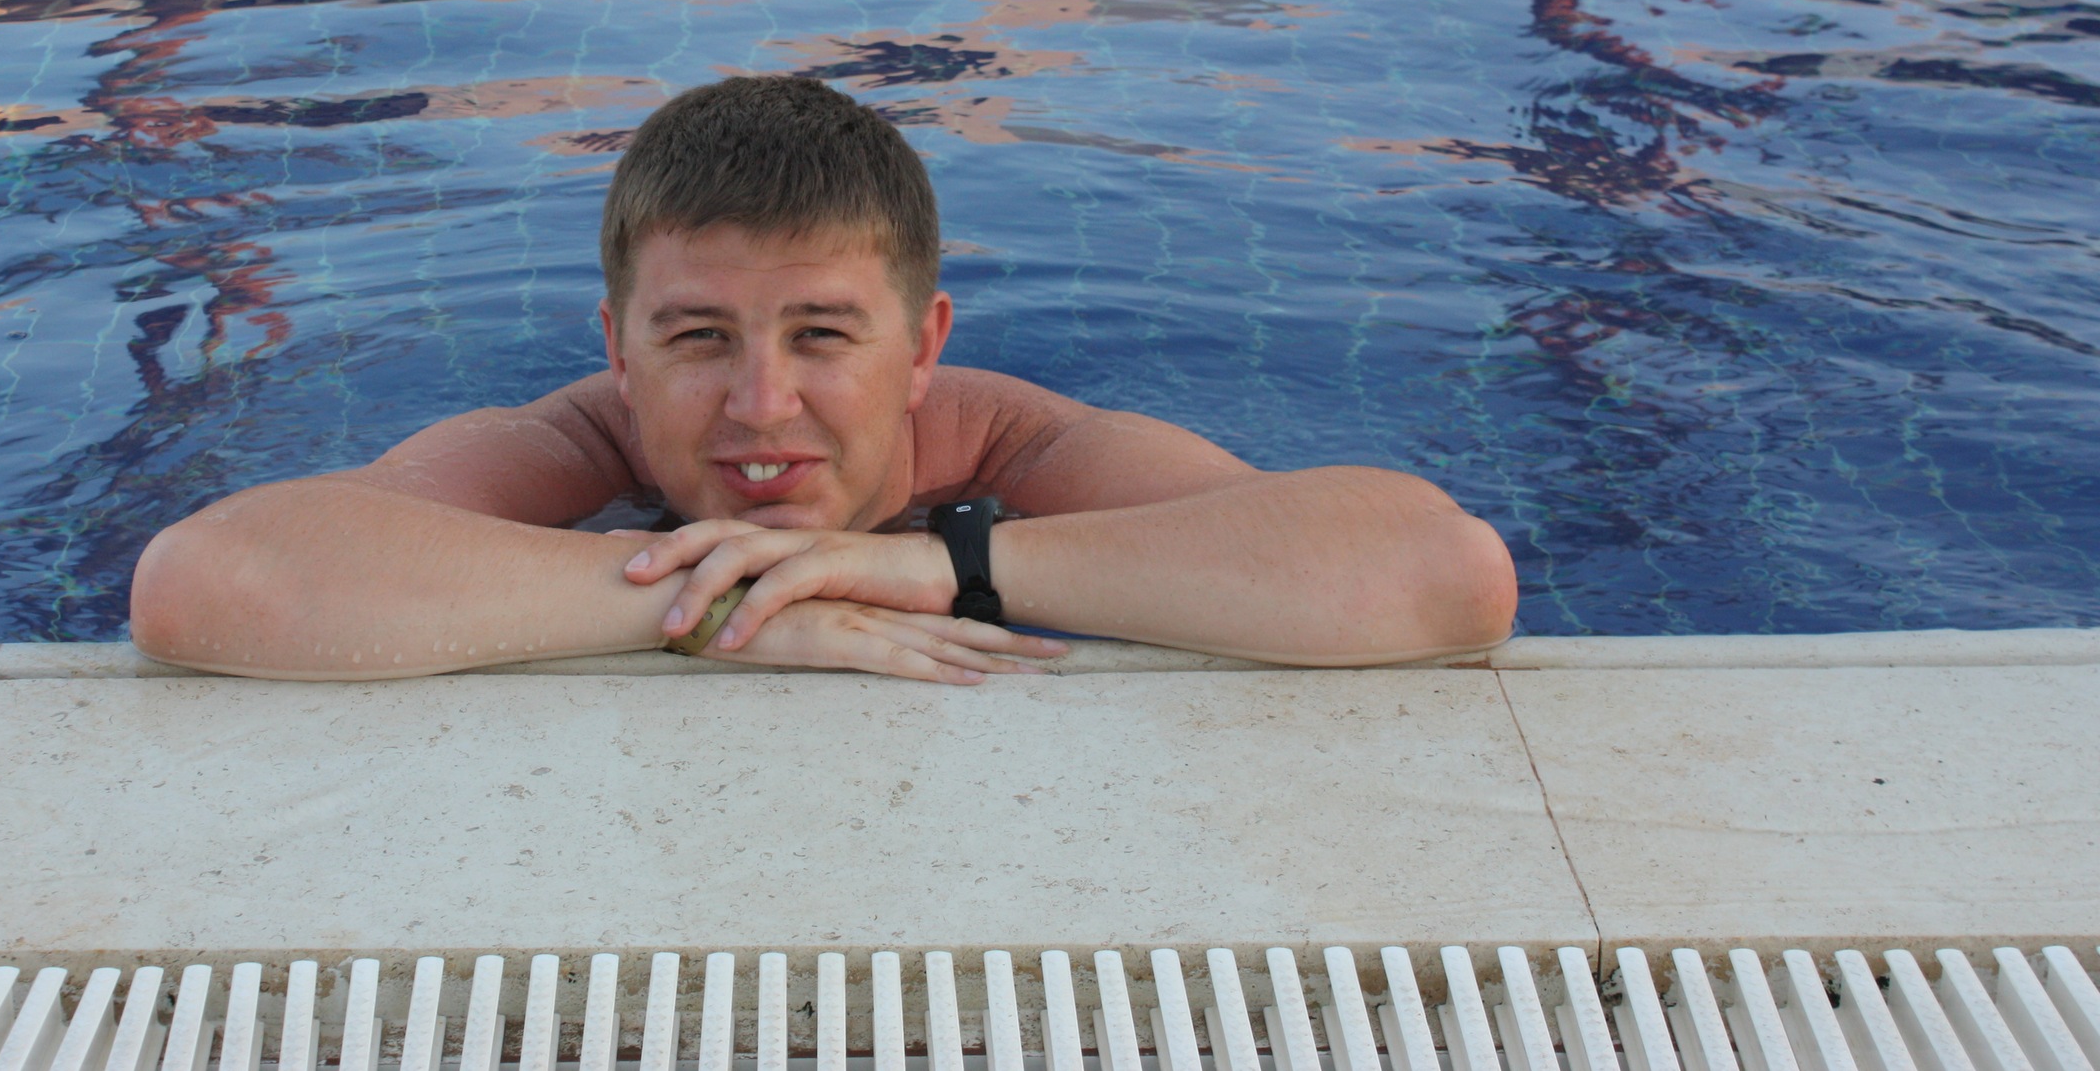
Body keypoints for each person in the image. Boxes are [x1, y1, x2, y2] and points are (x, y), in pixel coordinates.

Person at [130, 75, 1517, 682]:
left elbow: (1439, 574)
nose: (761, 405)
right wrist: (703, 604)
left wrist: (937, 569)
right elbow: (207, 584)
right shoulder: (573, 446)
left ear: (925, 347)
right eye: (697, 338)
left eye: (823, 336)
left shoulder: (1019, 453)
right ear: (615, 348)